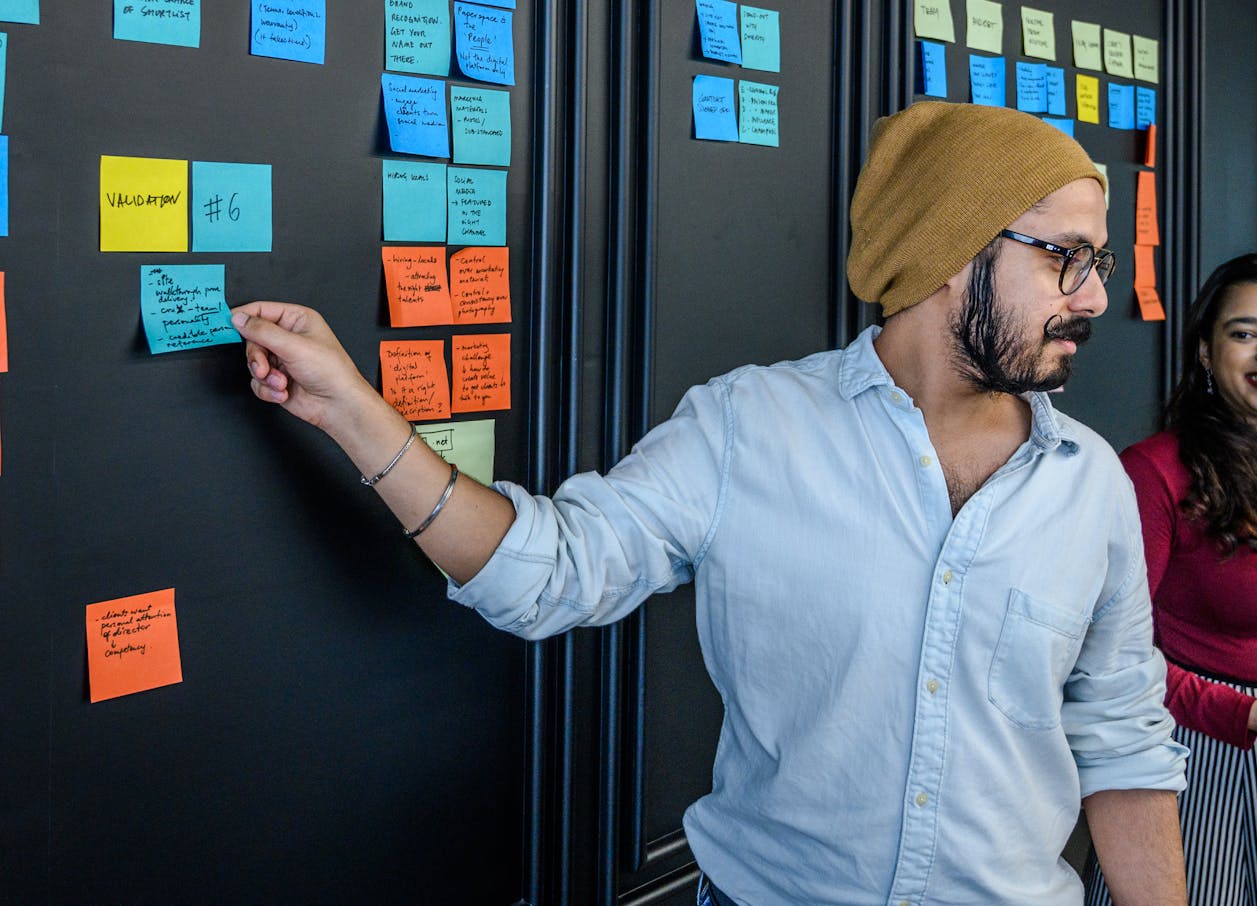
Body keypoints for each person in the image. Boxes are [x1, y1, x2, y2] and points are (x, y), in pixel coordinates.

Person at [231, 102, 1188, 904]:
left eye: (1098, 263)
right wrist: (352, 410)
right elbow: (547, 574)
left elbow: (1125, 747)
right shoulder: (748, 426)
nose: (1092, 299)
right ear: (949, 249)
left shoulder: (1091, 485)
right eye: (1065, 257)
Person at [1084, 253, 1257, 906]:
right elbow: (1109, 658)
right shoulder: (1156, 472)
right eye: (1245, 332)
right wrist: (1251, 714)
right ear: (1204, 351)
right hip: (1197, 756)